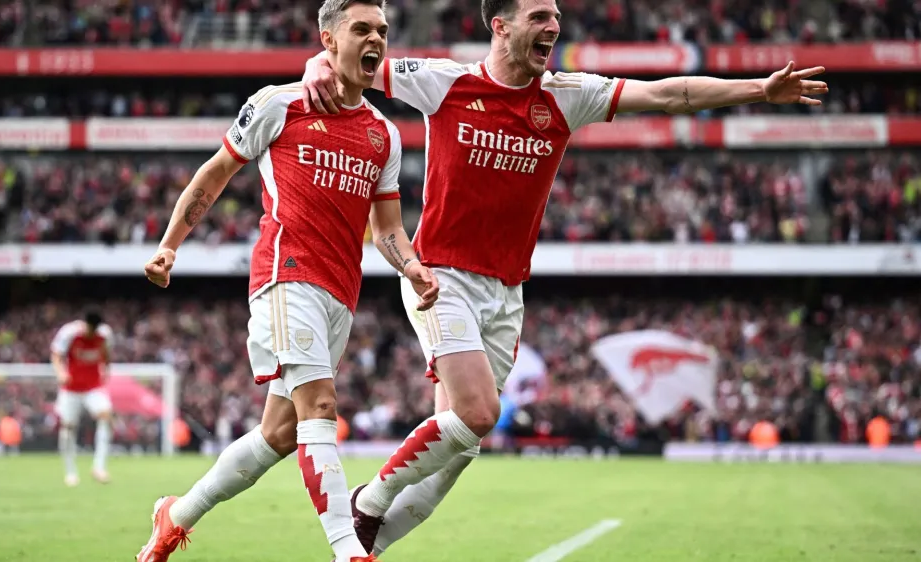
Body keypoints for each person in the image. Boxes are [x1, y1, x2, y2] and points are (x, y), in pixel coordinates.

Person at [301, 0, 828, 555]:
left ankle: (361, 552)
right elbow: (349, 60)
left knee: (458, 450)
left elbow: (670, 94)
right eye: (538, 16)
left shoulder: (567, 95)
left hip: (506, 294)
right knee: (477, 414)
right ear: (500, 26)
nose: (553, 26)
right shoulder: (444, 81)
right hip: (441, 276)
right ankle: (367, 504)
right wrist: (317, 64)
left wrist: (759, 90)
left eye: (555, 16)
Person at [134, 1, 438, 561]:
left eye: (382, 30)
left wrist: (412, 265)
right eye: (361, 29)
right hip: (286, 275)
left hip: (341, 294)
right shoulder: (279, 104)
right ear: (328, 39)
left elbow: (388, 229)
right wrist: (170, 244)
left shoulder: (384, 135)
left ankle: (174, 516)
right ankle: (350, 550)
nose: (376, 39)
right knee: (320, 408)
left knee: (278, 434)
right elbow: (215, 173)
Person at [50, 309, 114, 487]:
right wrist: (60, 372)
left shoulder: (105, 335)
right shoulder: (69, 333)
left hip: (94, 387)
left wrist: (106, 369)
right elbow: (56, 354)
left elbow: (106, 353)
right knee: (68, 427)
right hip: (71, 388)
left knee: (106, 416)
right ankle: (70, 472)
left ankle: (99, 467)